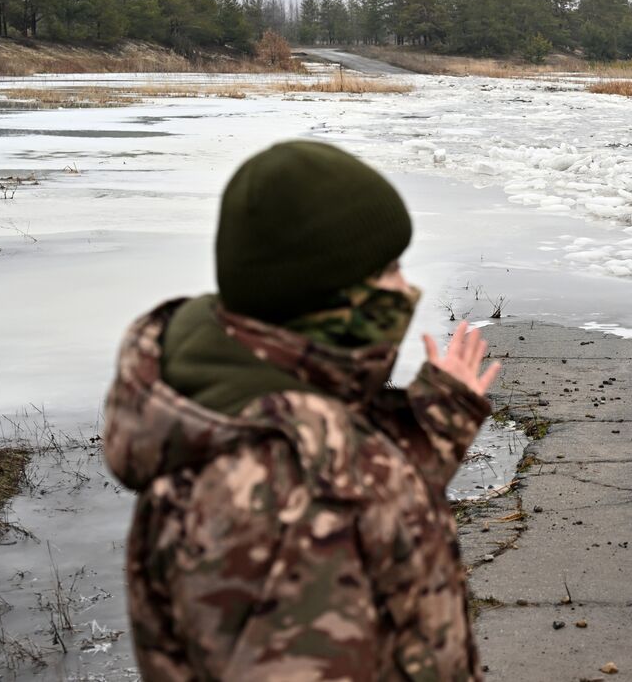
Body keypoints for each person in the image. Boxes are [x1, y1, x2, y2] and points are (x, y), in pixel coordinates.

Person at [102, 140, 499, 681]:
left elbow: (358, 501)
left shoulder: (259, 392)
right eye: (388, 270)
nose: (407, 289)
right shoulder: (277, 490)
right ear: (325, 295)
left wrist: (436, 422)